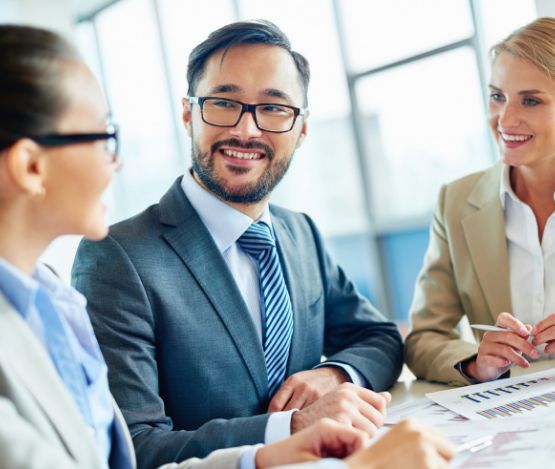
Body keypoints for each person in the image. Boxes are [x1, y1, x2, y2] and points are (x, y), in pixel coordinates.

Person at [0, 23, 454, 469]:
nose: (247, 130)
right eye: (223, 103)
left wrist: (333, 374)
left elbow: (376, 337)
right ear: (188, 114)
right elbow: (130, 447)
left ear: (301, 127)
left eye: (273, 109)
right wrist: (292, 427)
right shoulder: (118, 255)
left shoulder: (301, 234)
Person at [405, 17, 555, 385]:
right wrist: (475, 362)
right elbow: (424, 337)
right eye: (497, 96)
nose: (504, 119)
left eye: (531, 101)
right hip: (513, 416)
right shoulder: (456, 202)